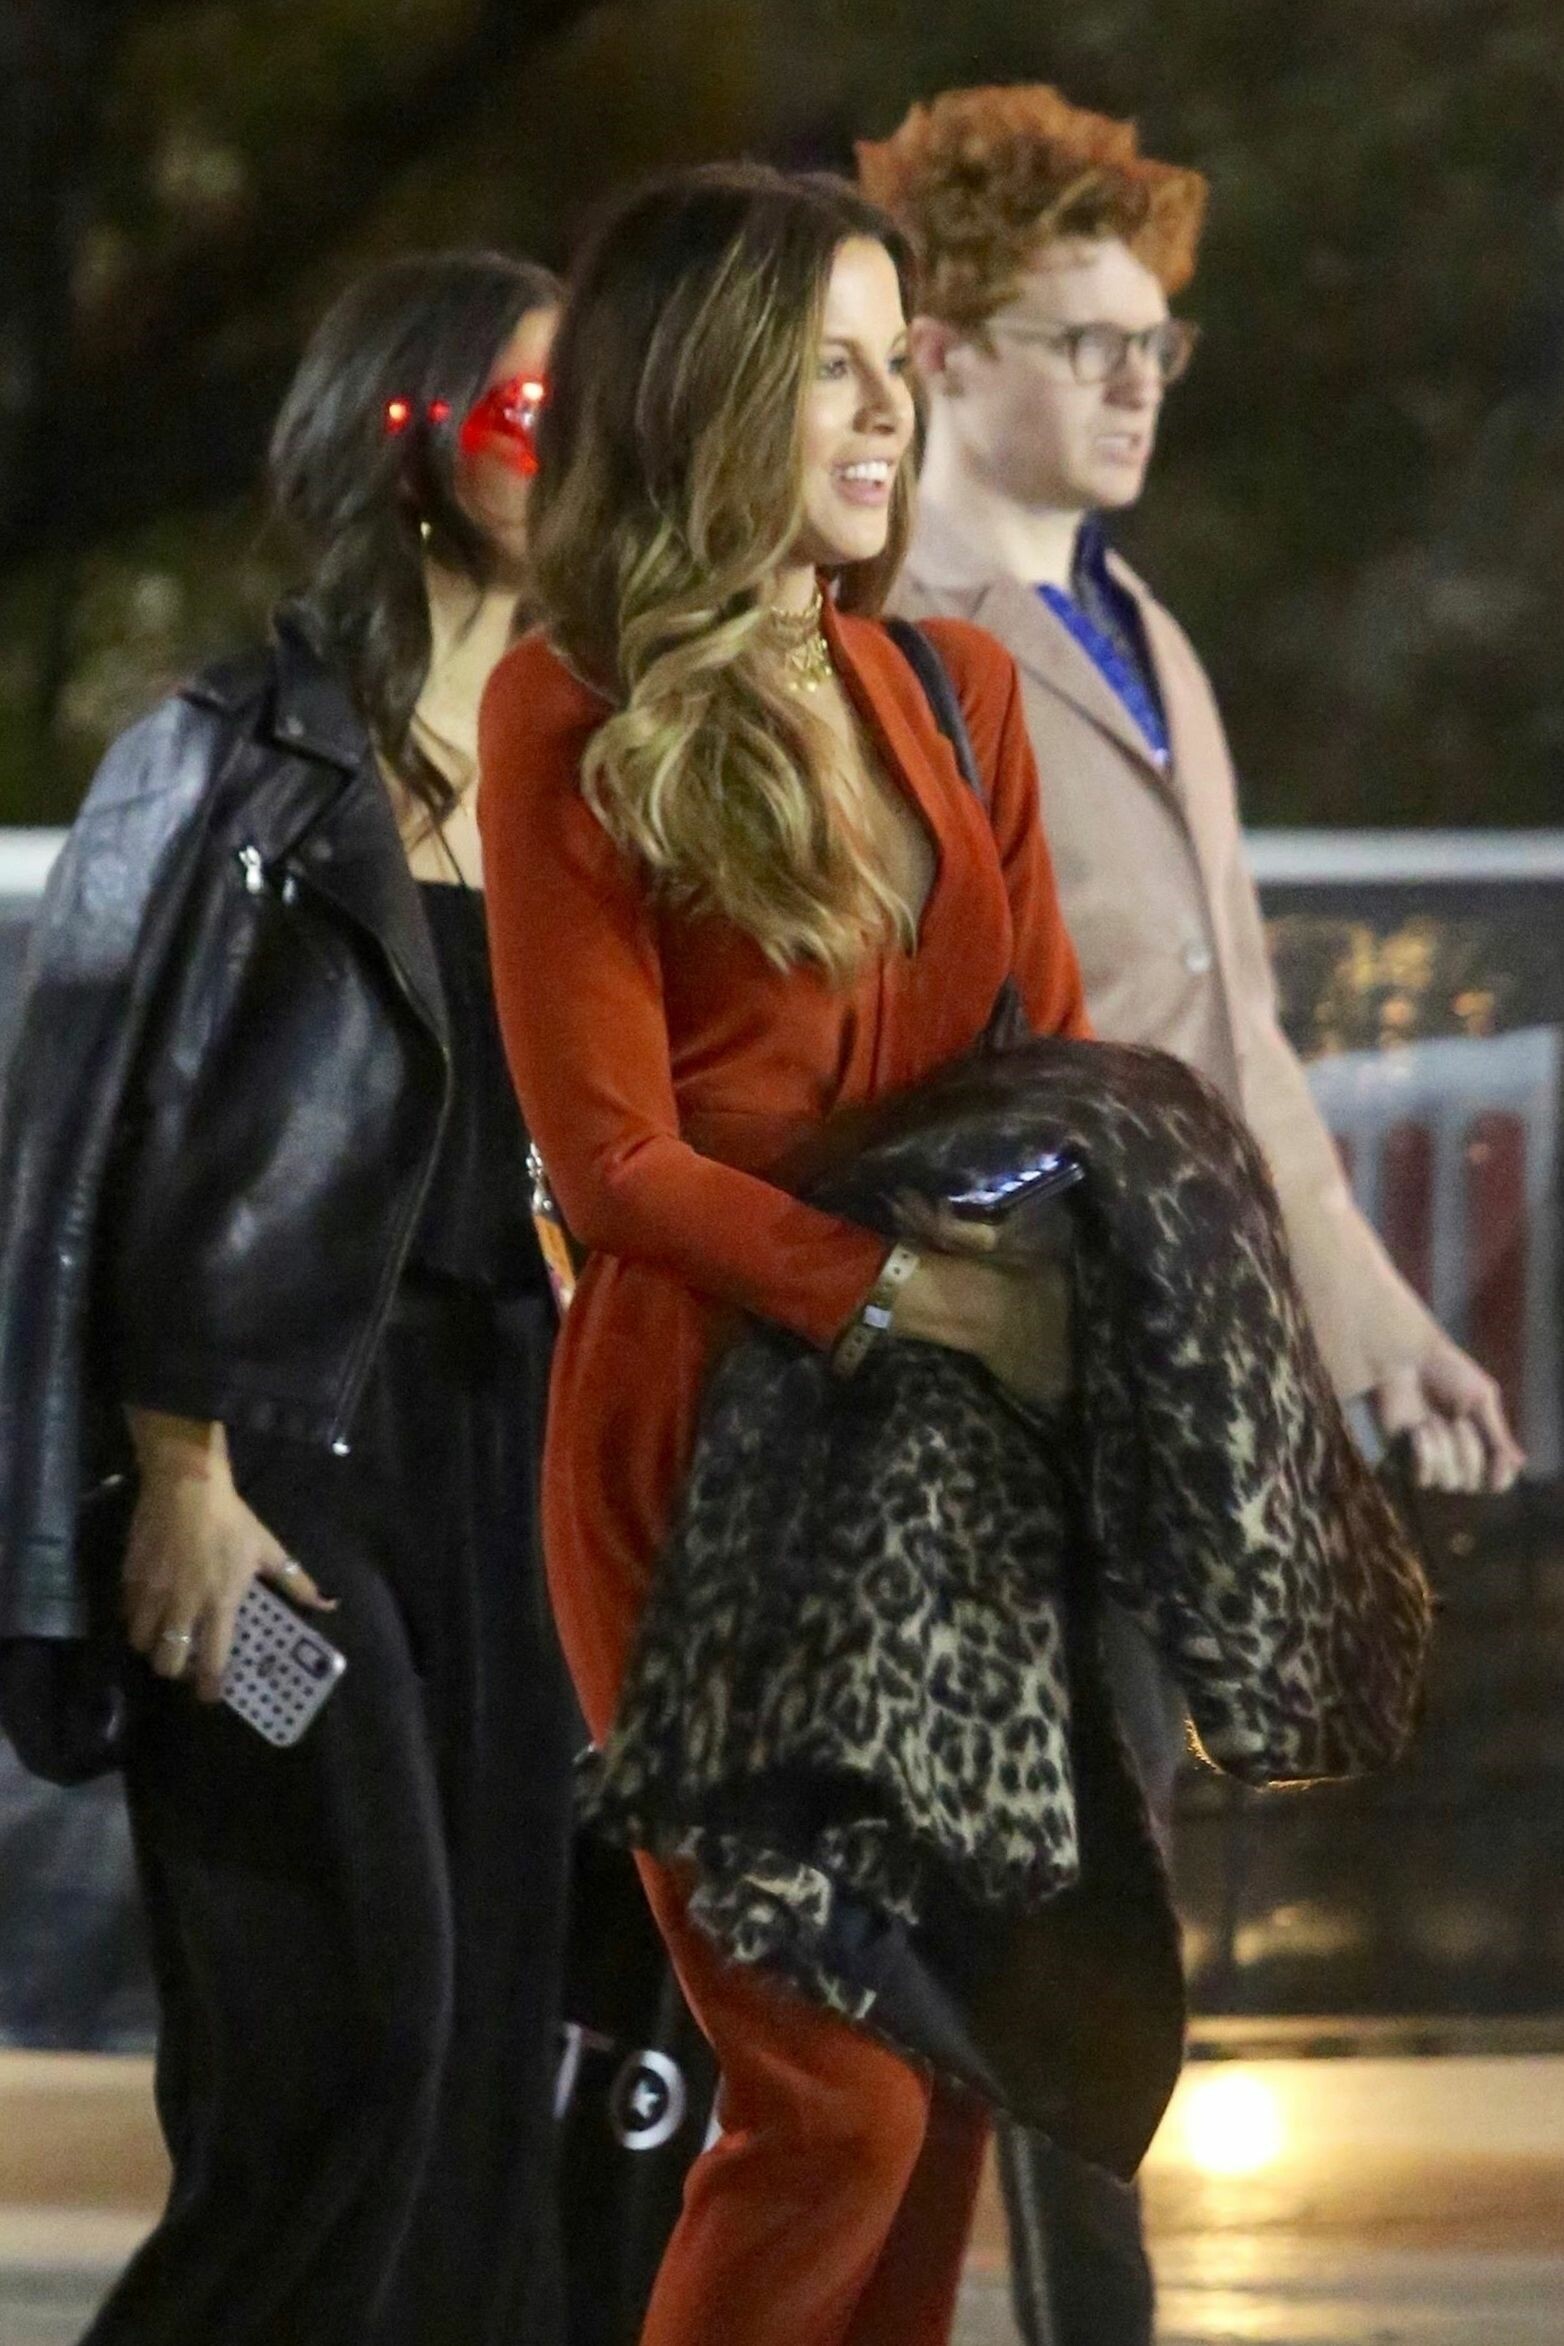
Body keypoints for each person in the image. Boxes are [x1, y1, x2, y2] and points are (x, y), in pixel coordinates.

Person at [860, 81, 1525, 2344]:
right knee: (1028, 1917)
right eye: (1089, 342)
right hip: (980, 1378)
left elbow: (1241, 1033)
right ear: (946, 352)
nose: (1139, 382)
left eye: (1158, 342)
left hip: (1150, 1367)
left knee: (1081, 1905)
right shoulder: (894, 627)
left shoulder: (1140, 627)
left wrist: (1376, 1322)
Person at [478, 163, 1091, 2346]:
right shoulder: (565, 704)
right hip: (693, 1446)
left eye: (891, 363)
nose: (886, 412)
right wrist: (906, 1289)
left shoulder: (959, 694)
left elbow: (1054, 1076)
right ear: (703, 394)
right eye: (828, 367)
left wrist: (1073, 1290)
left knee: (944, 2071)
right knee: (830, 2093)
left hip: (945, 1473)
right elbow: (612, 1155)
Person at [0, 252, 574, 2346]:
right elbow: (85, 1147)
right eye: (535, 417)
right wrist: (169, 1476)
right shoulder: (223, 753)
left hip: (524, 1460)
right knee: (348, 2039)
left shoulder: (595, 762)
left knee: (496, 2054)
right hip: (272, 1483)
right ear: (405, 437)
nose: (585, 456)